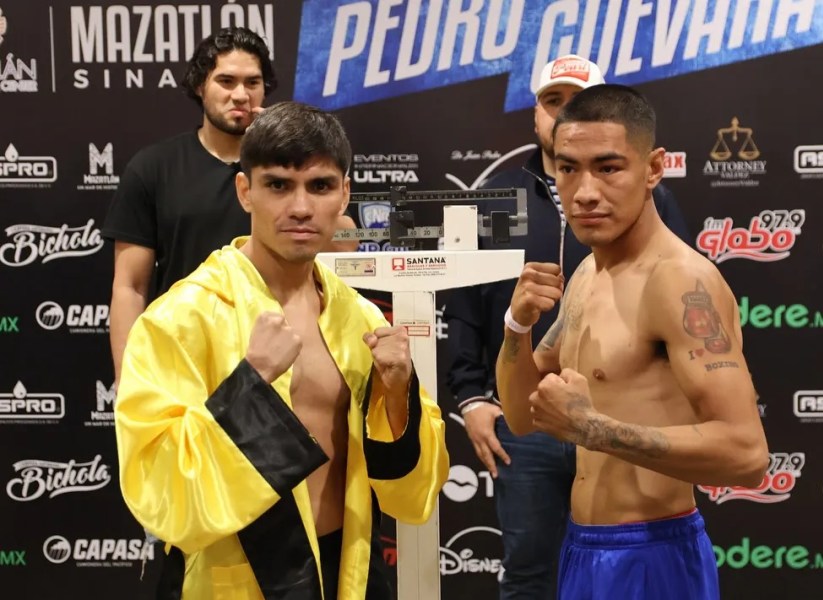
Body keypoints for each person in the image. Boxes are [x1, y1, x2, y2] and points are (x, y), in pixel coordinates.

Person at [114, 102, 449, 599]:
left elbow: (414, 493)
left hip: (349, 573)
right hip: (235, 584)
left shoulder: (360, 318)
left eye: (320, 186)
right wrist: (249, 384)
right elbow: (158, 492)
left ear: (345, 194)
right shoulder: (181, 318)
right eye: (278, 185)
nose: (300, 207)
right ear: (244, 191)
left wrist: (398, 396)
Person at [495, 84, 768, 599]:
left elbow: (748, 455)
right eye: (568, 168)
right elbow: (521, 415)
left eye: (608, 167)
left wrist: (593, 429)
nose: (584, 191)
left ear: (654, 168)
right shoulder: (587, 275)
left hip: (653, 555)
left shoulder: (679, 282)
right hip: (583, 549)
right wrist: (517, 325)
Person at [444, 55, 690, 598]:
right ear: (535, 113)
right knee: (528, 572)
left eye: (578, 102)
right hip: (527, 414)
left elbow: (679, 309)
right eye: (552, 101)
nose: (564, 113)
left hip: (619, 412)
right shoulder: (492, 194)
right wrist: (472, 397)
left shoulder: (652, 201)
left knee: (621, 564)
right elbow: (461, 304)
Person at [102, 26, 278, 382]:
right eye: (226, 81)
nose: (240, 95)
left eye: (252, 83)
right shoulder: (154, 167)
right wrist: (128, 378)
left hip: (277, 354)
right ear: (200, 85)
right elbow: (130, 286)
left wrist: (284, 147)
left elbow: (343, 242)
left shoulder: (286, 167)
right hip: (182, 359)